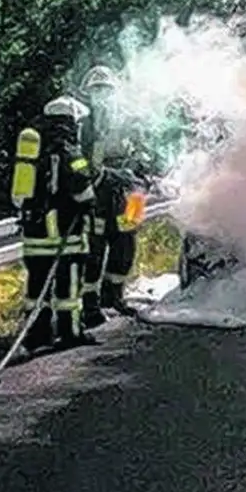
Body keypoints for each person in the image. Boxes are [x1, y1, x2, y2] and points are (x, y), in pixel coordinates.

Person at [10, 95, 97, 350]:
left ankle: (37, 335)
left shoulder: (32, 146)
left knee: (37, 287)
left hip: (33, 232)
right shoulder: (69, 148)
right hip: (63, 235)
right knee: (68, 290)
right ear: (72, 122)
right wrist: (88, 202)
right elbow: (82, 187)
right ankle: (70, 333)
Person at [77, 66, 150, 325]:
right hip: (99, 189)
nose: (101, 94)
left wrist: (140, 173)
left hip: (131, 192)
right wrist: (95, 174)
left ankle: (115, 297)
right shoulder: (84, 124)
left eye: (106, 89)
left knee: (126, 245)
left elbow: (145, 152)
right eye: (96, 89)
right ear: (87, 92)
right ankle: (90, 304)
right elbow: (77, 160)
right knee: (94, 248)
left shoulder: (129, 119)